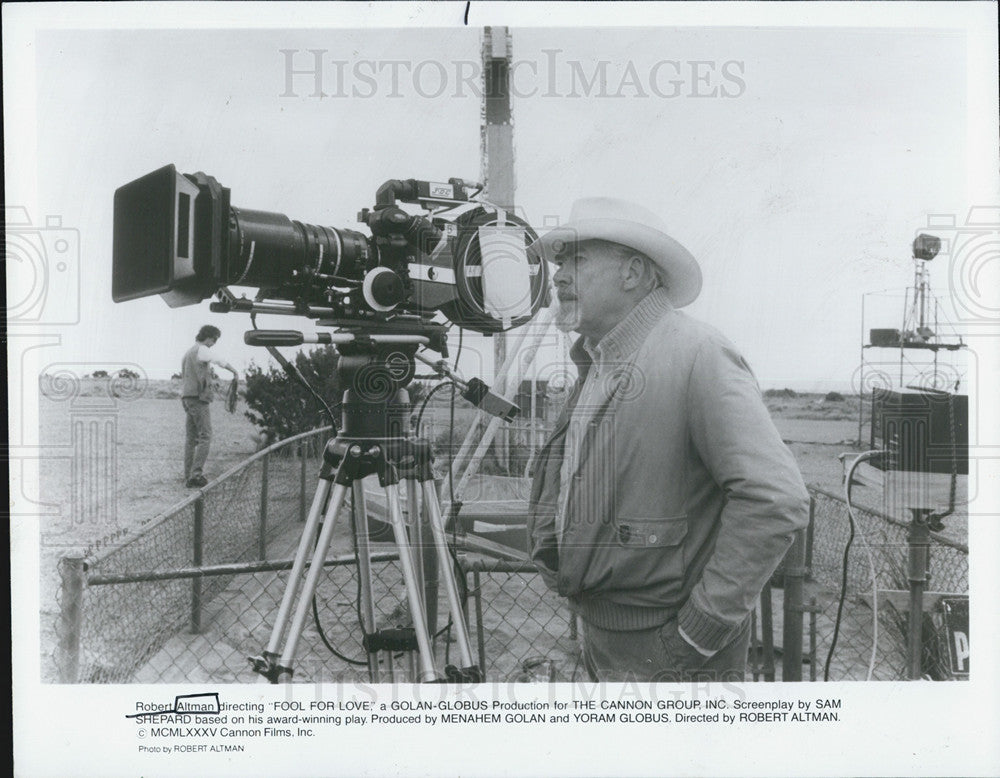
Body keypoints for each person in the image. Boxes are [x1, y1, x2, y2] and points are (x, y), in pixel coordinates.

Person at [527, 198, 810, 682]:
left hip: (672, 649)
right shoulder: (598, 362)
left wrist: (698, 633)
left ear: (633, 272)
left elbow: (775, 499)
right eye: (560, 262)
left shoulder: (698, 353)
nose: (558, 276)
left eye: (577, 259)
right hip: (609, 636)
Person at [181, 325, 238, 488]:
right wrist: (234, 371)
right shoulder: (202, 349)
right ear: (209, 337)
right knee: (205, 435)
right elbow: (219, 360)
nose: (214, 343)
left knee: (191, 438)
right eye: (214, 340)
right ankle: (196, 475)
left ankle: (188, 475)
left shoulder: (188, 353)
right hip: (198, 399)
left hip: (187, 397)